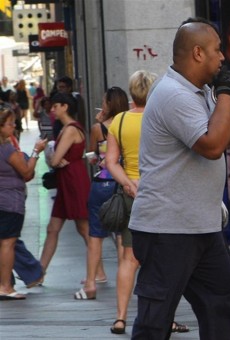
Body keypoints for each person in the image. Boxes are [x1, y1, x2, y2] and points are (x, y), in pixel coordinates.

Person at [127, 17, 230, 339]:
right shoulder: (173, 94)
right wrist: (225, 94)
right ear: (197, 53)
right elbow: (212, 145)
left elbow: (225, 130)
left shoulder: (199, 92)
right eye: (217, 50)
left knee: (221, 299)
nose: (223, 57)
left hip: (201, 225)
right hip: (168, 227)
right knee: (156, 318)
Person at [104, 71, 189, 335]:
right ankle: (167, 318)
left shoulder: (118, 121)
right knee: (165, 260)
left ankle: (120, 318)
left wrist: (128, 183)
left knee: (128, 259)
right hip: (162, 193)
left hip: (133, 196)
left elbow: (110, 162)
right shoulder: (161, 117)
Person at [76, 87, 129, 301]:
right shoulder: (127, 124)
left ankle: (90, 284)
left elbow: (91, 156)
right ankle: (123, 283)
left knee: (95, 236)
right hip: (123, 183)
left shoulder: (98, 128)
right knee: (121, 238)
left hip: (102, 183)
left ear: (108, 104)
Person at [39, 93, 94, 288]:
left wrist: (56, 159)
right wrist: (57, 159)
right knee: (53, 228)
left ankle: (95, 275)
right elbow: (56, 160)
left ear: (64, 106)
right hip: (68, 181)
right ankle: (39, 272)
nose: (52, 110)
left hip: (73, 182)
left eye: (55, 106)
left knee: (84, 228)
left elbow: (54, 159)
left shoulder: (70, 129)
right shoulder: (69, 128)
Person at [0, 107, 47, 300]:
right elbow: (27, 172)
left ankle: (5, 283)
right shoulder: (7, 149)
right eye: (10, 123)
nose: (14, 126)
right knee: (8, 244)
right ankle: (6, 286)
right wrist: (36, 151)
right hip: (10, 202)